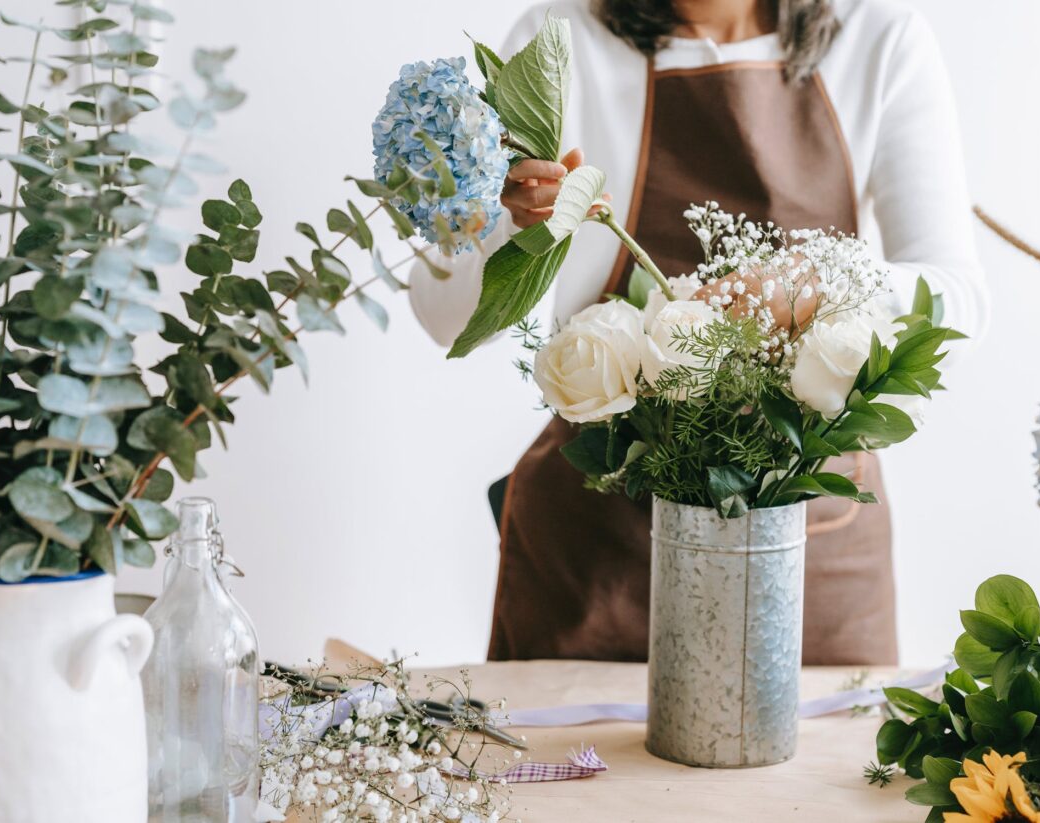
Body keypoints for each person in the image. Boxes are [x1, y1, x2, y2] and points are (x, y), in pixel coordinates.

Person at [408, 0, 990, 665]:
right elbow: (441, 315)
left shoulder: (879, 41)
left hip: (814, 544)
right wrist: (513, 224)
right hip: (596, 549)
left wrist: (819, 285)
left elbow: (959, 299)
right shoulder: (558, 43)